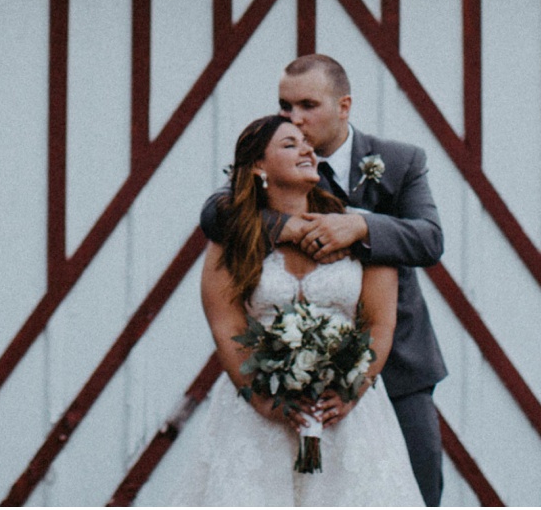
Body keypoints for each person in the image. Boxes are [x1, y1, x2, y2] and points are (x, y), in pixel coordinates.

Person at [196, 55, 449, 506]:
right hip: (277, 383)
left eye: (307, 105)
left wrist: (363, 228)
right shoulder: (269, 165)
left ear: (344, 106)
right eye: (285, 105)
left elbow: (430, 239)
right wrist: (285, 226)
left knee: (416, 489)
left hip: (399, 364)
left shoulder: (399, 162)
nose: (294, 117)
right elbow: (217, 213)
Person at [160, 114, 423, 506]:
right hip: (256, 417)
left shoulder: (359, 229)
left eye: (306, 143)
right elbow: (226, 325)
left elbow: (379, 322)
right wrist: (261, 400)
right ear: (259, 168)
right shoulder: (232, 238)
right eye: (289, 144)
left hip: (346, 416)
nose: (307, 149)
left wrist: (354, 390)